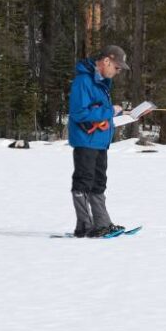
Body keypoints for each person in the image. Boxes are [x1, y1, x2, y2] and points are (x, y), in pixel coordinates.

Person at [68, 45, 137, 237]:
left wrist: (122, 112)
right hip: (85, 140)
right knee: (84, 181)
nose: (118, 71)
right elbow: (79, 113)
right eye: (117, 67)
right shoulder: (83, 81)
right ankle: (84, 225)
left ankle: (102, 223)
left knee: (99, 181)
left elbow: (98, 109)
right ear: (106, 61)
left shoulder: (102, 82)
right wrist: (109, 111)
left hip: (99, 141)